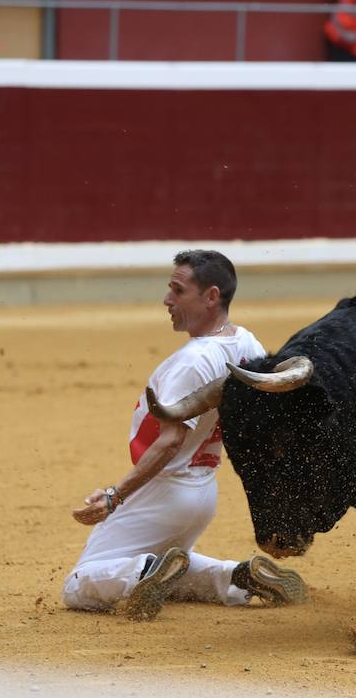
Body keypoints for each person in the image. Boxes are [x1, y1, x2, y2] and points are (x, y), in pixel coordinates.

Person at [64, 250, 307, 619]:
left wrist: (115, 496)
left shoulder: (192, 362)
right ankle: (236, 578)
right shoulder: (248, 345)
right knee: (168, 564)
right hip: (203, 490)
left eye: (178, 291)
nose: (167, 300)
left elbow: (170, 441)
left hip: (164, 490)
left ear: (211, 296)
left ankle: (146, 571)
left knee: (80, 584)